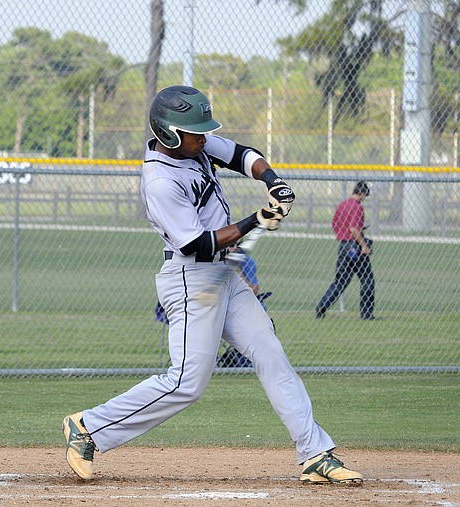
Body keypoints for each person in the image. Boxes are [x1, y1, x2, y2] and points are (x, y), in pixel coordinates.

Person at [63, 85, 362, 485]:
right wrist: (256, 219)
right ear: (169, 134)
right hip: (191, 278)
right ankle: (88, 427)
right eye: (195, 133)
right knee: (186, 382)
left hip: (225, 275)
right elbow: (197, 244)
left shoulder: (195, 145)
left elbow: (242, 154)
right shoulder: (159, 182)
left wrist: (273, 183)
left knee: (269, 351)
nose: (204, 138)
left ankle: (315, 453)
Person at [315, 180, 377, 320]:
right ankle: (366, 314)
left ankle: (322, 306)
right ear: (361, 193)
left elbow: (335, 224)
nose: (364, 199)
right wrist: (364, 245)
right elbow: (353, 229)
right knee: (367, 279)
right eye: (364, 195)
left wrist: (345, 235)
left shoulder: (342, 205)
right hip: (355, 246)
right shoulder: (357, 207)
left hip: (343, 246)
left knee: (340, 281)